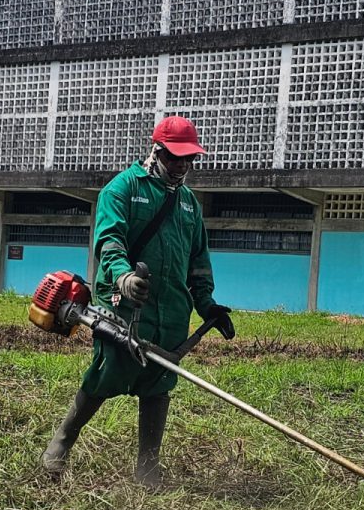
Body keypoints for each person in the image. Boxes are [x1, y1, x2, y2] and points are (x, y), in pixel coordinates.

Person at [41, 116, 234, 487]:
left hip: (172, 310)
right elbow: (108, 241)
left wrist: (207, 305)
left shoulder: (190, 204)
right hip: (122, 304)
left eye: (189, 158)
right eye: (176, 157)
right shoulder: (122, 189)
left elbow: (198, 261)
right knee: (107, 372)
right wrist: (124, 277)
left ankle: (148, 469)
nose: (182, 165)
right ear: (157, 151)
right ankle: (60, 446)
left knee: (159, 381)